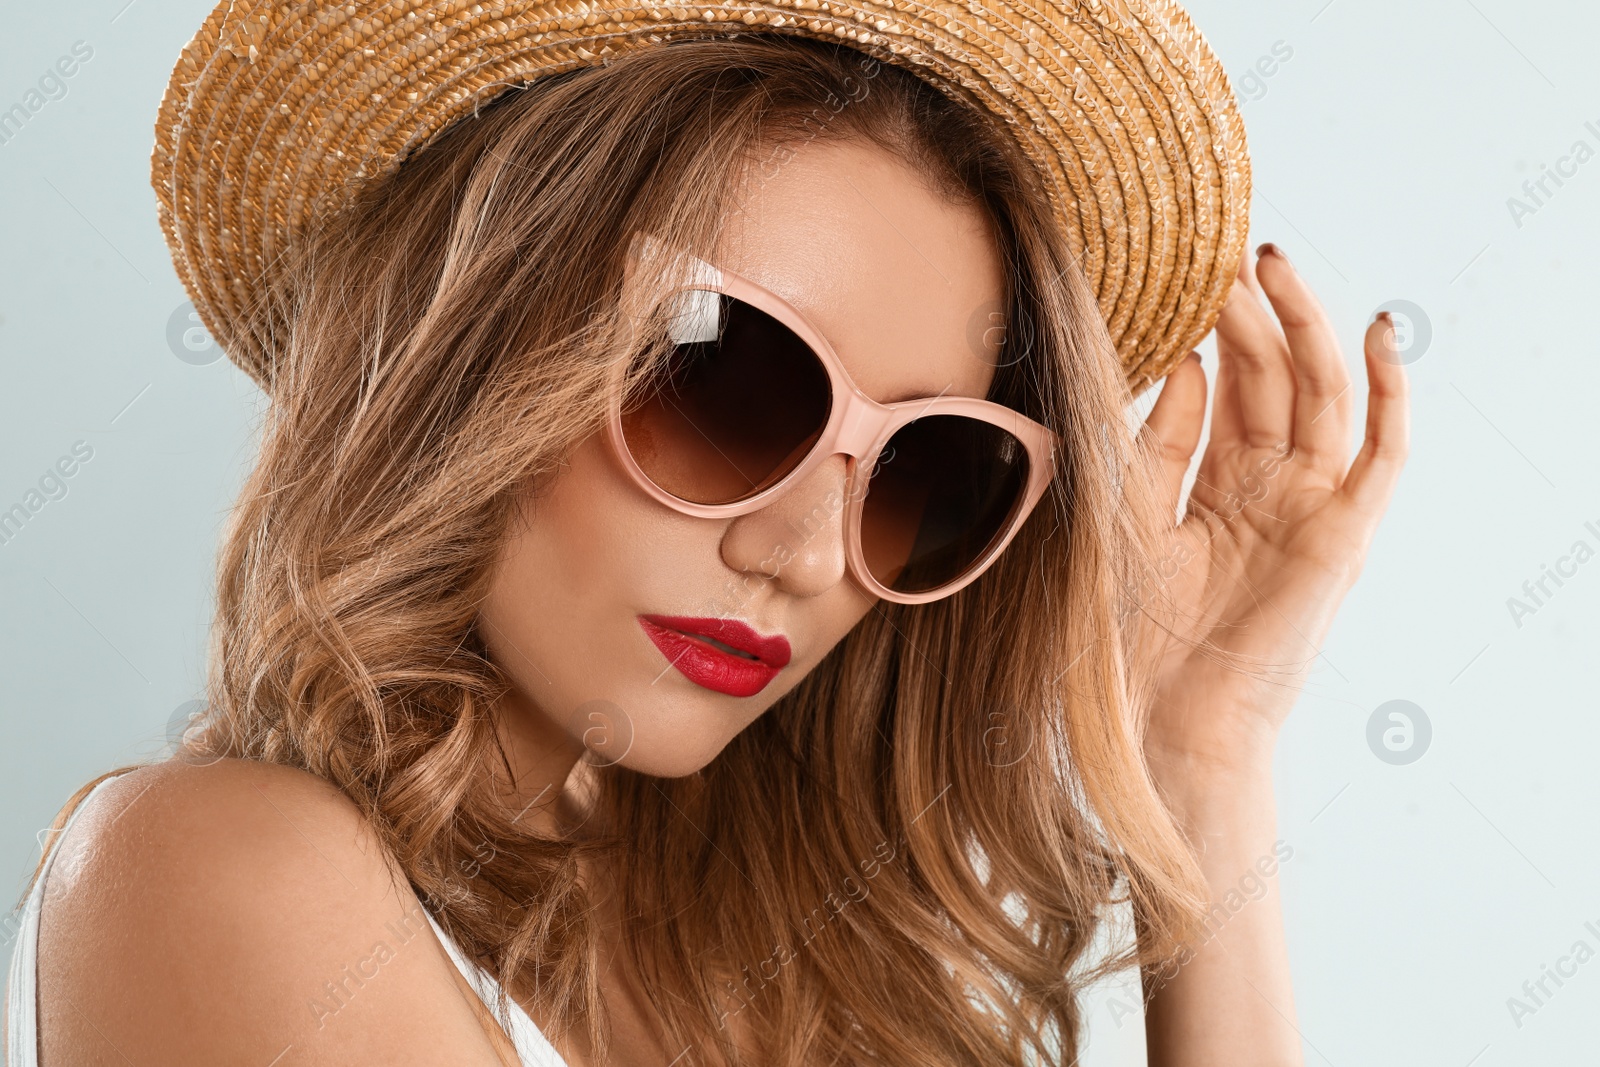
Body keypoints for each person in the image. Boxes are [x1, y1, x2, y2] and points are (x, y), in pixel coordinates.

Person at [4, 4, 1408, 1066]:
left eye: (924, 469)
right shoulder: (217, 872)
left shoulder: (792, 983)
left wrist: (1202, 762)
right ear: (470, 352)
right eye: (726, 384)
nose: (804, 552)